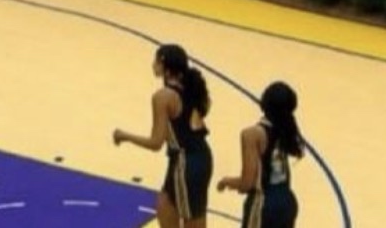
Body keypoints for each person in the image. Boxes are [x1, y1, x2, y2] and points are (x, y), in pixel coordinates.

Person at [113, 42, 212, 227]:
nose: (153, 64)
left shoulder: (163, 97)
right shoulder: (191, 88)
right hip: (192, 157)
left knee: (191, 220)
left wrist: (124, 136)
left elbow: (156, 143)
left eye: (156, 61)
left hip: (186, 162)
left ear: (165, 67)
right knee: (164, 206)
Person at [217, 80, 304, 228]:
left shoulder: (252, 134)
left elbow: (247, 183)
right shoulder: (287, 130)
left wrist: (227, 181)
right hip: (287, 201)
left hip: (264, 204)